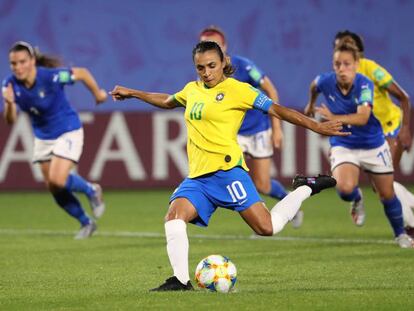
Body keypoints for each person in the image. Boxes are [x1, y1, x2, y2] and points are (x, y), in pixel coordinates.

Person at [110, 41, 347, 291]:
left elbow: (277, 110)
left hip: (227, 173)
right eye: (200, 67)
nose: (207, 72)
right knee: (173, 216)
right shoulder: (192, 90)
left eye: (212, 65)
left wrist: (316, 126)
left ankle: (305, 188)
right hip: (199, 178)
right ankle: (180, 280)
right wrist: (133, 93)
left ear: (224, 62)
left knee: (267, 227)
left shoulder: (239, 90)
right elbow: (168, 101)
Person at [304, 39, 413, 248]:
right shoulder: (325, 81)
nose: (342, 69)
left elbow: (363, 118)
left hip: (373, 144)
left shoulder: (365, 83)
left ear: (356, 64)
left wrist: (333, 116)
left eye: (347, 64)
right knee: (344, 189)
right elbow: (314, 85)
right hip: (344, 143)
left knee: (386, 194)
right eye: (337, 64)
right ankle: (356, 199)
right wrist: (310, 104)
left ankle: (400, 235)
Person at [199, 26, 304, 228]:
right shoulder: (205, 75)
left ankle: (289, 201)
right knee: (223, 175)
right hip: (231, 136)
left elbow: (270, 89)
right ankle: (260, 220)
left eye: (213, 45)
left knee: (262, 184)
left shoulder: (244, 66)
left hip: (257, 130)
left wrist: (277, 127)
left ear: (224, 48)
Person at [2, 41, 106, 239]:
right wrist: (8, 104)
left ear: (32, 61)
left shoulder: (51, 76)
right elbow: (10, 120)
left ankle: (91, 190)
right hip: (42, 136)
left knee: (57, 180)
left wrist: (98, 94)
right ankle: (86, 223)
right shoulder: (9, 85)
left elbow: (82, 73)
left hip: (68, 129)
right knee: (53, 187)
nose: (18, 67)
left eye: (22, 62)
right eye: (13, 64)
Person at [331, 31, 414, 235]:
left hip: (389, 127)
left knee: (385, 186)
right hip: (369, 133)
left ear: (358, 51)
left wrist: (405, 129)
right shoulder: (340, 72)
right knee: (381, 187)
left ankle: (410, 226)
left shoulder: (372, 69)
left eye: (348, 45)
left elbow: (403, 97)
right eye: (339, 46)